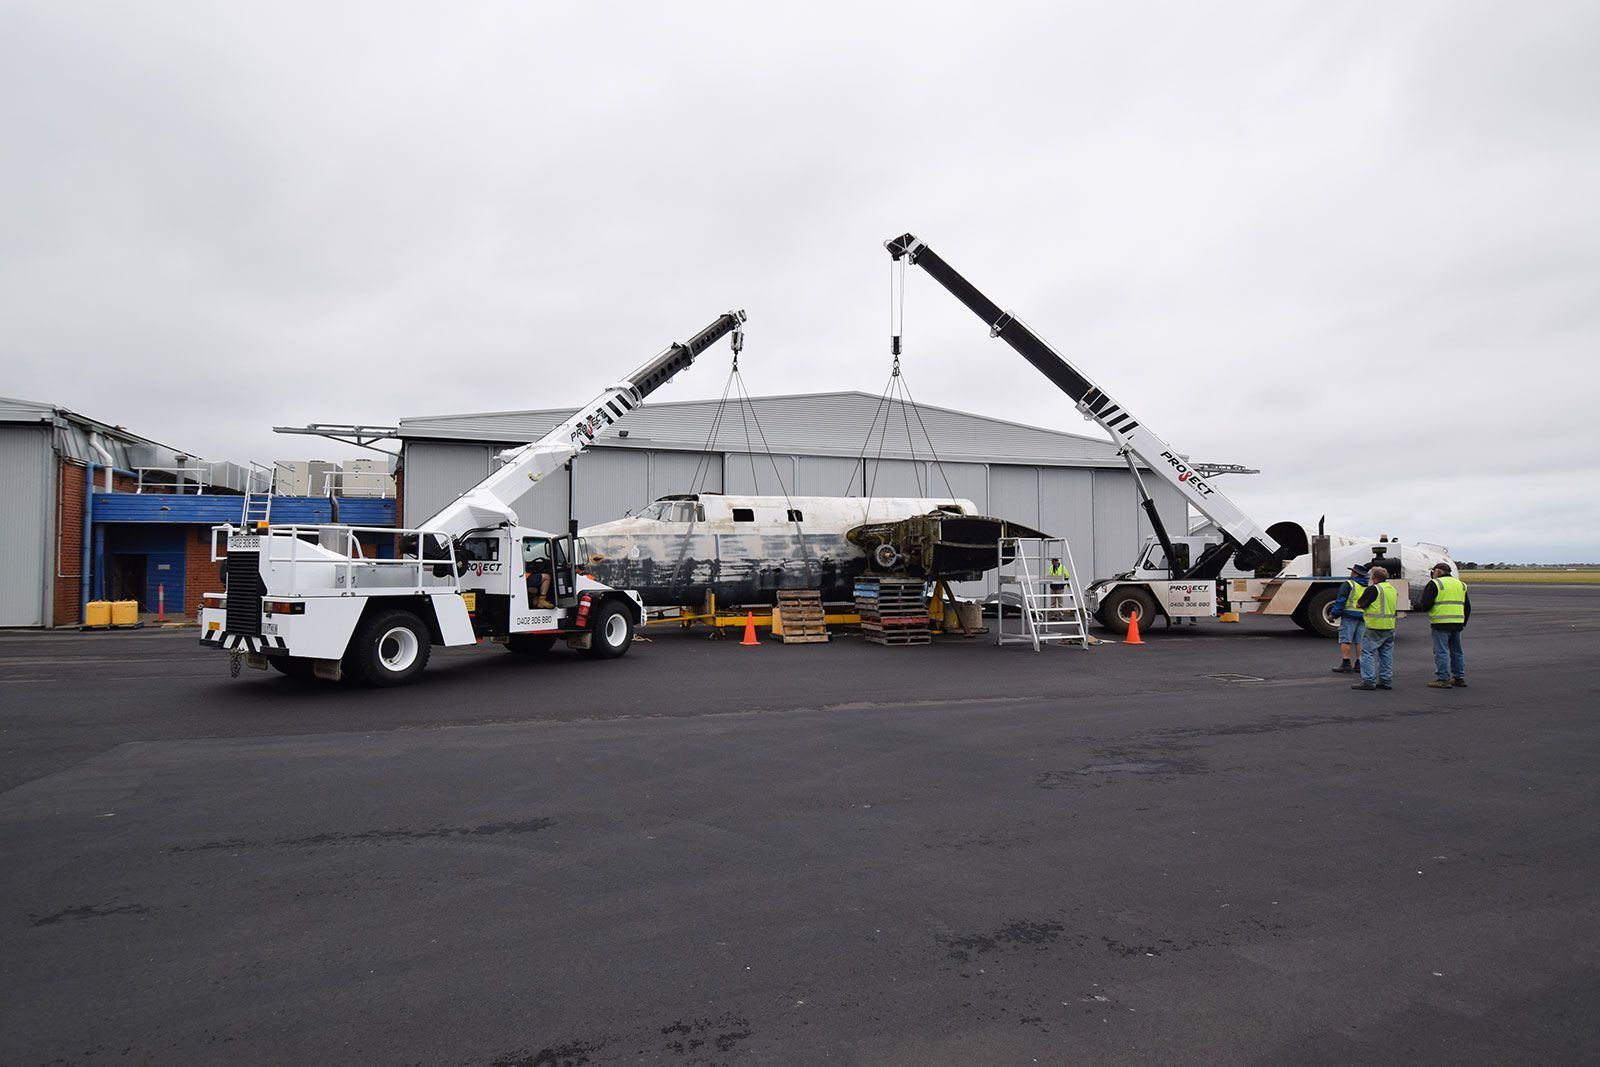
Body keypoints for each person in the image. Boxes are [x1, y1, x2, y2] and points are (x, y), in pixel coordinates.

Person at [1415, 561, 1470, 688]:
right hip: (1457, 623)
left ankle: (1443, 678)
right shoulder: (1461, 584)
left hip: (1440, 623)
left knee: (1441, 651)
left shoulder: (1435, 583)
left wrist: (1416, 607)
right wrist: (1463, 622)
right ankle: (1459, 677)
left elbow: (1426, 604)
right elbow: (1467, 606)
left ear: (1438, 572)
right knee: (1457, 651)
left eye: (1433, 571)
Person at [1351, 565, 1398, 691]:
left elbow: (1360, 604)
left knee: (1367, 653)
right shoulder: (1391, 589)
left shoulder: (1373, 589)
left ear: (1374, 577)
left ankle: (1368, 680)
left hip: (1374, 625)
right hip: (1389, 625)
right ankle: (1386, 680)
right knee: (1386, 654)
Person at [1329, 563, 1369, 672]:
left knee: (1346, 639)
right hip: (1362, 616)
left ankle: (1346, 663)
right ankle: (1359, 664)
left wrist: (1334, 614)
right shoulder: (1367, 585)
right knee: (1359, 640)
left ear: (1355, 573)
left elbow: (1341, 600)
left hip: (1349, 615)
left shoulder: (1349, 584)